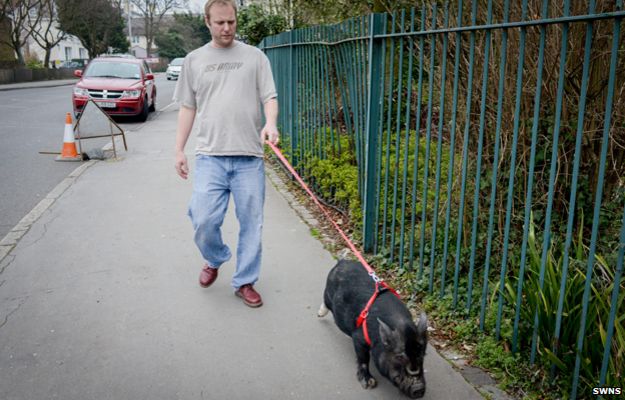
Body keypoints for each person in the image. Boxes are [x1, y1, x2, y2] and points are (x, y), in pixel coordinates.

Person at [173, 0, 279, 308]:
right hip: (210, 156)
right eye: (220, 23)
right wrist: (179, 149)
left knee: (251, 224)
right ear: (207, 22)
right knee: (203, 218)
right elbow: (187, 107)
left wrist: (270, 123)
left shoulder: (255, 57)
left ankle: (245, 281)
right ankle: (215, 257)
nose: (226, 28)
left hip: (249, 157)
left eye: (231, 22)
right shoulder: (194, 60)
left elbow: (269, 96)